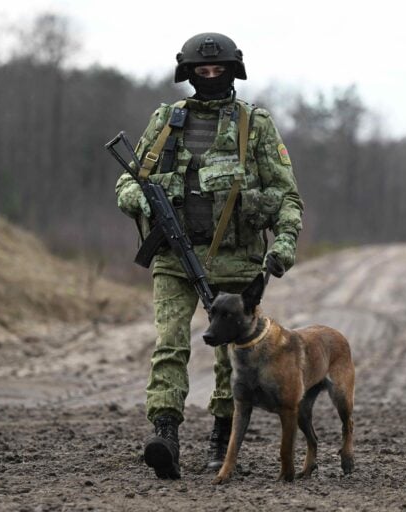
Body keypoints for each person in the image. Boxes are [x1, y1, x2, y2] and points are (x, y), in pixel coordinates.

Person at [115, 32, 304, 479]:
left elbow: (286, 196)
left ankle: (222, 439)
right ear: (189, 73)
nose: (211, 75)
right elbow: (127, 183)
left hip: (237, 262)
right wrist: (141, 200)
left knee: (230, 357)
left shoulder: (254, 124)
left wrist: (284, 244)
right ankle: (165, 433)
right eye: (203, 69)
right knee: (170, 344)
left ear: (233, 72)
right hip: (174, 257)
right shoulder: (167, 121)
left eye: (219, 69)